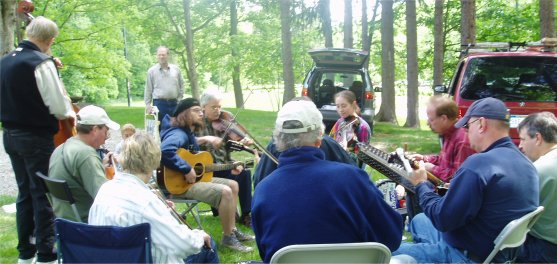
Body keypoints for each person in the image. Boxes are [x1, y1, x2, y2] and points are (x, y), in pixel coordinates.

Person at [251, 100, 403, 263]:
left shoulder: (262, 191)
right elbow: (392, 238)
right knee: (407, 257)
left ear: (277, 142)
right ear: (319, 140)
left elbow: (265, 253)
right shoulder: (353, 177)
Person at [392, 97, 539, 263]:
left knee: (389, 250)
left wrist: (421, 184)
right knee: (420, 220)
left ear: (481, 124)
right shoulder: (527, 164)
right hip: (496, 252)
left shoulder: (479, 164)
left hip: (465, 255)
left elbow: (442, 219)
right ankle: (427, 252)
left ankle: (428, 254)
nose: (466, 132)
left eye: (468, 126)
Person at [1, 16, 76, 264]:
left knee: (24, 193)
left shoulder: (5, 61)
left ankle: (25, 253)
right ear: (49, 39)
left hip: (10, 135)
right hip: (35, 137)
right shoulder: (40, 62)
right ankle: (46, 254)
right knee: (43, 194)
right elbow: (58, 107)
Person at [89, 132, 219, 263]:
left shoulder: (105, 189)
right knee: (208, 245)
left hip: (111, 258)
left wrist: (162, 212)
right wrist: (199, 236)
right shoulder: (146, 200)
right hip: (143, 259)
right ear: (155, 161)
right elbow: (182, 245)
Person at [160, 98, 254, 252]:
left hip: (191, 181)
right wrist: (185, 169)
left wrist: (229, 166)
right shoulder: (178, 134)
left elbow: (194, 155)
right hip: (179, 185)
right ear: (184, 113)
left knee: (233, 184)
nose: (201, 114)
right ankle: (228, 238)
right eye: (196, 110)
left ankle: (232, 230)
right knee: (225, 191)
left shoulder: (185, 131)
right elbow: (166, 150)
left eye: (201, 111)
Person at [253, 96, 357, 188]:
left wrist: (260, 166)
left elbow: (259, 182)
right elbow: (353, 175)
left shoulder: (274, 146)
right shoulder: (329, 143)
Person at [48, 105, 120, 223]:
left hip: (64, 223)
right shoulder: (86, 155)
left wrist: (101, 167)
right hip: (86, 225)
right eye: (106, 131)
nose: (106, 138)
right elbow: (106, 197)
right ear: (95, 130)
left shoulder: (62, 147)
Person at [197, 90, 254, 227]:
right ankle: (225, 207)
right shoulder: (196, 122)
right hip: (207, 168)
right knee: (233, 173)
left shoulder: (224, 120)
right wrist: (207, 139)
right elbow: (188, 140)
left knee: (245, 171)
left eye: (219, 107)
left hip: (225, 163)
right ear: (203, 107)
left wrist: (241, 142)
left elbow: (230, 145)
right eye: (213, 107)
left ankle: (247, 214)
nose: (218, 111)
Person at [516, 112, 557, 262]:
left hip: (542, 248)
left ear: (538, 138)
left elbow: (515, 211)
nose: (520, 145)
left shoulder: (538, 170)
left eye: (523, 139)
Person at [409, 95, 476, 182]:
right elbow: (444, 161)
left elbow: (459, 177)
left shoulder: (462, 141)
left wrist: (433, 169)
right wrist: (424, 158)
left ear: (444, 118)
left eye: (431, 120)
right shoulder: (449, 132)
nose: (428, 123)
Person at [329, 90, 371, 164]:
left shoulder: (362, 127)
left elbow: (362, 157)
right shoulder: (339, 122)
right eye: (338, 106)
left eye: (344, 106)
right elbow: (330, 141)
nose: (340, 110)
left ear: (353, 104)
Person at [144, 46, 184, 122]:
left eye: (163, 54)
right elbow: (148, 89)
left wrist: (179, 100)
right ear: (157, 56)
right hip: (159, 104)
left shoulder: (176, 70)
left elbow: (181, 85)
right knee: (159, 127)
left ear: (168, 55)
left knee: (175, 126)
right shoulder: (151, 71)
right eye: (159, 55)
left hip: (174, 104)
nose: (161, 57)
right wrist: (148, 105)